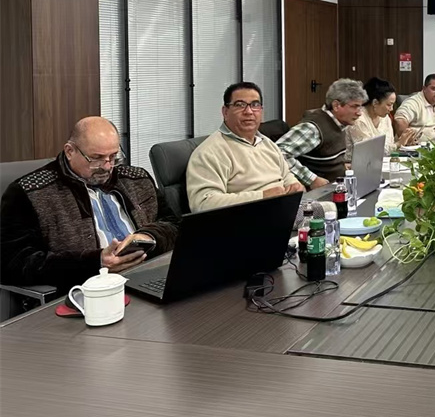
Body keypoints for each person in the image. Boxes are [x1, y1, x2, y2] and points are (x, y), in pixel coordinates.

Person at [0, 117, 178, 294]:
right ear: (70, 151)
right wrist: (95, 262)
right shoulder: (30, 192)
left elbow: (175, 225)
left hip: (148, 277)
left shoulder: (137, 179)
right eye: (96, 158)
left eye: (113, 156)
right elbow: (12, 262)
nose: (107, 167)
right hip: (85, 292)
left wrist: (149, 236)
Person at [187, 82, 303, 211]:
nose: (248, 111)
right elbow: (203, 204)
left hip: (284, 210)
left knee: (321, 208)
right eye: (240, 105)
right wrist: (262, 196)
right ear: (225, 112)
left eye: (255, 105)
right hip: (250, 217)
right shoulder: (210, 152)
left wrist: (295, 185)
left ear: (261, 111)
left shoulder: (267, 143)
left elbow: (286, 176)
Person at [276, 78, 366, 189]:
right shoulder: (313, 128)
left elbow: (326, 159)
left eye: (360, 107)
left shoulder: (340, 123)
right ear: (336, 106)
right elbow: (278, 154)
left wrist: (342, 166)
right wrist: (311, 179)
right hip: (318, 194)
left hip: (338, 187)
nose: (359, 113)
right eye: (354, 106)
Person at [347, 77, 415, 159]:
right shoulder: (358, 118)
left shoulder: (385, 118)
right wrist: (399, 144)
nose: (391, 109)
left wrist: (405, 141)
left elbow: (389, 147)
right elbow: (369, 153)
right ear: (375, 102)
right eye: (389, 105)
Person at [394, 73, 435, 143]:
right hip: (417, 145)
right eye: (434, 89)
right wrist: (409, 140)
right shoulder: (413, 102)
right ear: (424, 89)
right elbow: (400, 121)